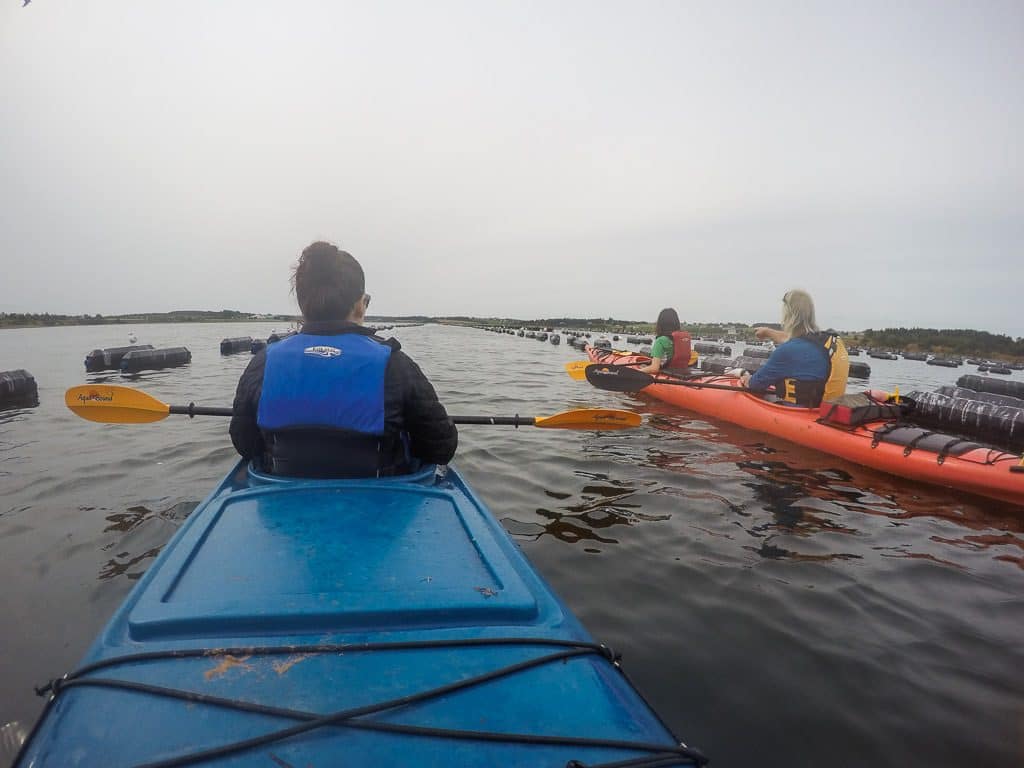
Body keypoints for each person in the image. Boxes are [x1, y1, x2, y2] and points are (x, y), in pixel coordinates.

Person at [230, 241, 458, 477]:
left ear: (302, 303)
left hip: (281, 496)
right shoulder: (395, 365)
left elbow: (245, 444)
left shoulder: (263, 363)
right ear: (360, 305)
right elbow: (440, 448)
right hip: (380, 504)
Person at [737, 289, 849, 406]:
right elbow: (794, 340)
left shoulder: (787, 351)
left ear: (788, 315)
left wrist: (745, 377)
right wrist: (767, 332)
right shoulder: (827, 342)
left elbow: (754, 384)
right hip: (825, 409)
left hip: (800, 412)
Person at [637, 308, 692, 375]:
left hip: (667, 373)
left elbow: (654, 368)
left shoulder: (661, 340)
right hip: (681, 373)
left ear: (660, 323)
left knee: (642, 367)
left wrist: (636, 372)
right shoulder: (684, 338)